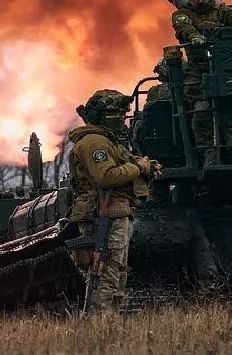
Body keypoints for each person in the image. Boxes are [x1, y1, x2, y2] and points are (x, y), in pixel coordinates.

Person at [67, 90, 159, 313]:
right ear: (100, 116)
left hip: (117, 213)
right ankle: (99, 326)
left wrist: (146, 167)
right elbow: (106, 176)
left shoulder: (108, 142)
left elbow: (121, 167)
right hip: (105, 216)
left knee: (117, 273)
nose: (122, 117)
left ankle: (109, 326)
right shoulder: (94, 143)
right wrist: (139, 167)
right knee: (105, 275)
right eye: (116, 113)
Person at [169, 0, 232, 164]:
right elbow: (184, 28)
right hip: (198, 72)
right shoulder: (182, 14)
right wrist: (196, 38)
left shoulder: (224, 12)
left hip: (226, 70)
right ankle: (209, 154)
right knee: (201, 113)